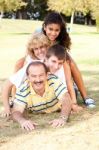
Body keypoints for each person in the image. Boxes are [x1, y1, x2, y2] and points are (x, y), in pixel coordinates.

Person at [14, 12, 95, 108]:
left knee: (70, 63)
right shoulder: (39, 34)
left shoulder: (59, 40)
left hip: (55, 55)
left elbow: (60, 53)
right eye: (50, 29)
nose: (53, 33)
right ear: (45, 27)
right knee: (20, 62)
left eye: (56, 30)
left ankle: (85, 97)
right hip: (41, 56)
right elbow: (32, 48)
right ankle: (15, 96)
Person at [11, 61, 71, 131]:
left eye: (41, 75)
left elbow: (66, 98)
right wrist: (23, 121)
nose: (38, 80)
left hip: (57, 108)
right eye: (34, 76)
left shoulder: (54, 80)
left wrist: (63, 118)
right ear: (28, 77)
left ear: (47, 75)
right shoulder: (23, 89)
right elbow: (15, 112)